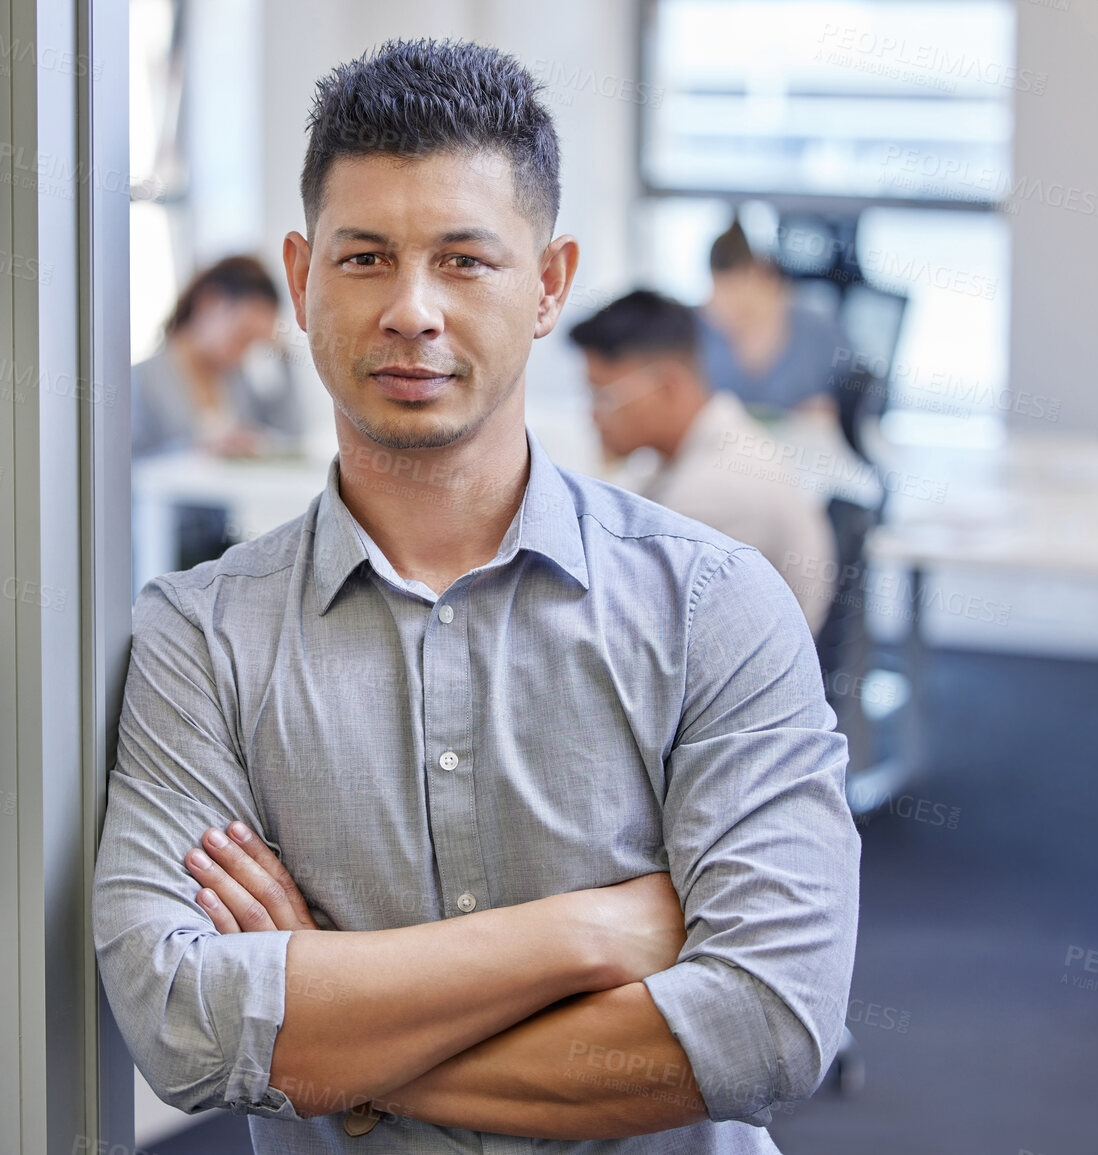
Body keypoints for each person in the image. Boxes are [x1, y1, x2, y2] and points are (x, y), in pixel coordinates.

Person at [93, 39, 858, 1154]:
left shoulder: (714, 605)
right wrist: (592, 933)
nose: (412, 310)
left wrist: (330, 1055)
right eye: (364, 260)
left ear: (548, 284)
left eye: (464, 260)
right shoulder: (200, 635)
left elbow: (770, 1026)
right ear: (302, 279)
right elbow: (180, 1030)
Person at [570, 290, 836, 632]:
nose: (592, 415)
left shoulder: (716, 488)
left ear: (667, 387)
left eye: (603, 396)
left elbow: (630, 623)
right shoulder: (687, 454)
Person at [131, 255, 301, 458]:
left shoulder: (237, 379)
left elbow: (290, 436)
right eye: (243, 335)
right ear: (208, 303)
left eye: (256, 342)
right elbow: (127, 467)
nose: (244, 353)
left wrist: (283, 359)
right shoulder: (140, 379)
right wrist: (194, 448)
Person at [699, 220, 847, 419]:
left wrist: (832, 408)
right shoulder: (698, 329)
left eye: (743, 306)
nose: (732, 314)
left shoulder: (815, 327)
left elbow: (861, 399)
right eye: (721, 296)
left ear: (768, 279)